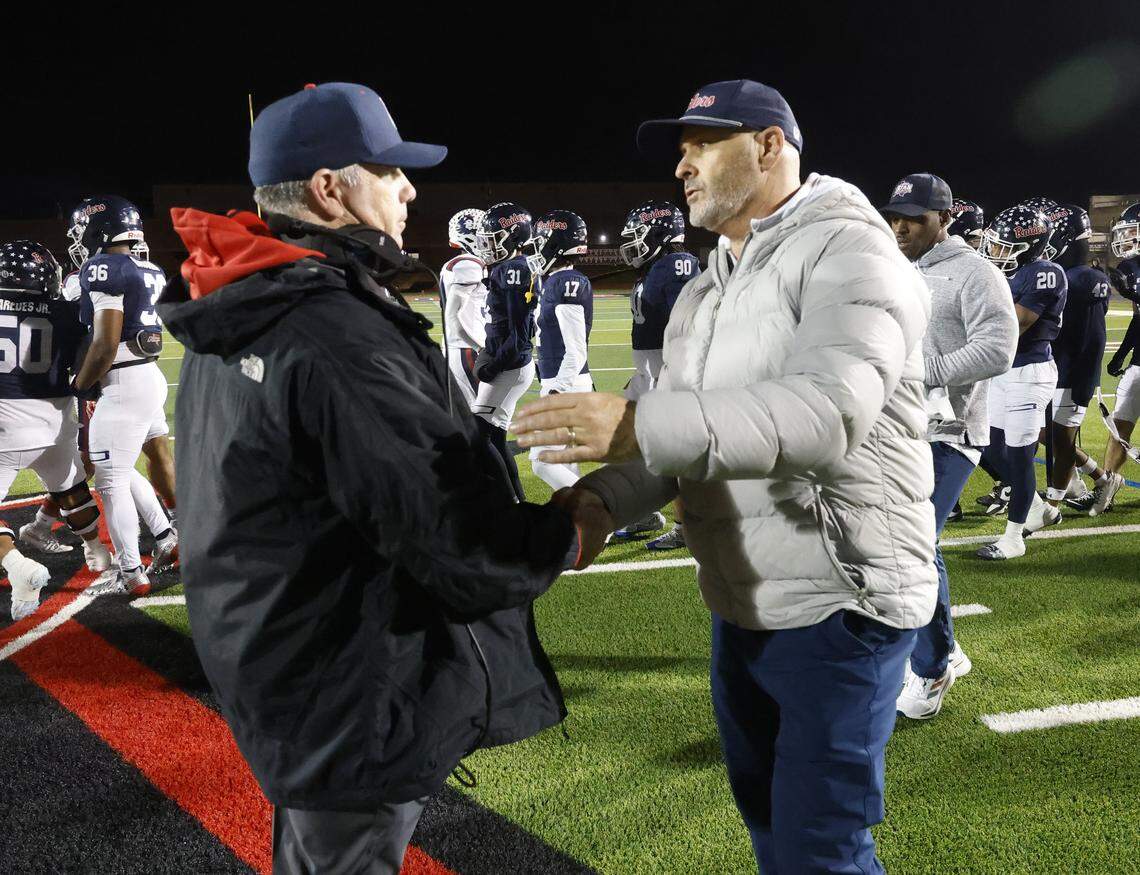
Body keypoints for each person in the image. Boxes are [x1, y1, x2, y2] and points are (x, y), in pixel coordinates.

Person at [155, 81, 592, 875]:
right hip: (344, 687)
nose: (409, 188)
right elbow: (460, 537)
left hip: (287, 664)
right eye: (388, 170)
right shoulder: (330, 329)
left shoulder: (248, 301)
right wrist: (570, 528)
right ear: (330, 189)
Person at [514, 79, 936, 874]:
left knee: (822, 848)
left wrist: (635, 425)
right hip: (741, 597)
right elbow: (684, 430)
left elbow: (826, 415)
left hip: (839, 598)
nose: (683, 165)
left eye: (702, 143)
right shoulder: (709, 286)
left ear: (770, 145)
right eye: (681, 149)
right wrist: (603, 501)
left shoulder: (853, 250)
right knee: (769, 822)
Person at [881, 174, 1017, 719]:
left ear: (946, 216)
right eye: (894, 215)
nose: (900, 226)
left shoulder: (976, 272)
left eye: (912, 216)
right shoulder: (897, 269)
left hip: (951, 432)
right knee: (889, 540)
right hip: (897, 429)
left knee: (914, 543)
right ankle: (946, 647)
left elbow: (999, 347)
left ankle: (933, 669)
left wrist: (925, 375)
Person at [69, 196, 179, 596]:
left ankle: (131, 572)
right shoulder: (149, 267)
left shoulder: (103, 268)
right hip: (147, 376)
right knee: (121, 464)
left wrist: (80, 383)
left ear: (99, 229)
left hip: (122, 381)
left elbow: (106, 342)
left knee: (110, 480)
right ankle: (165, 535)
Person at [0, 240, 111, 619]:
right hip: (55, 420)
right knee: (72, 490)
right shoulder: (66, 312)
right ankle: (99, 556)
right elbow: (90, 355)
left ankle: (19, 568)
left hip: (4, 423)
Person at [976, 204, 1067, 560]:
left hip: (1029, 373)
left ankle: (1014, 538)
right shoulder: (1013, 274)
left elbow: (1015, 322)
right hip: (1004, 371)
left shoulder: (1046, 272)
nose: (995, 252)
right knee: (991, 447)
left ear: (1027, 245)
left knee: (1019, 455)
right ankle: (1040, 508)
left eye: (1003, 246)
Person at [612, 200, 700, 549]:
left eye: (638, 235)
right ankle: (645, 512)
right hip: (649, 373)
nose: (633, 243)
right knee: (624, 442)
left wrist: (672, 376)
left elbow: (687, 325)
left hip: (669, 373)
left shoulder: (676, 265)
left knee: (675, 454)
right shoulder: (655, 267)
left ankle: (686, 526)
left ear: (659, 233)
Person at [1044, 205, 1112, 514]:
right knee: (1050, 435)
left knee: (1062, 441)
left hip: (1073, 372)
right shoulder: (1065, 275)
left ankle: (1051, 506)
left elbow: (1093, 338)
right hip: (1061, 368)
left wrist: (1081, 378)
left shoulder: (1082, 279)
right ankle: (1102, 477)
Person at [471, 201, 540, 499]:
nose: (486, 246)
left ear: (512, 236)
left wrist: (494, 363)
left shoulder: (513, 269)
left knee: (478, 435)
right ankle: (516, 502)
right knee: (495, 435)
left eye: (492, 238)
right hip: (512, 362)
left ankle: (506, 500)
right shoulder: (511, 268)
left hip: (511, 366)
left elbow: (520, 332)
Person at [527, 209, 594, 491]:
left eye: (541, 242)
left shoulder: (565, 283)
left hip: (565, 383)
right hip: (567, 381)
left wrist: (558, 390)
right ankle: (586, 530)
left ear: (555, 244)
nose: (537, 248)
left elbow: (576, 348)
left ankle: (602, 514)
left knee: (541, 459)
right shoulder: (554, 281)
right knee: (566, 462)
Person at [1089, 202, 1140, 515]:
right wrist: (1121, 355)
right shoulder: (1133, 267)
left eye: (1134, 230)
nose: (1128, 237)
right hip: (1139, 363)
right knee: (1120, 424)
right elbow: (1138, 318)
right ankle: (1107, 483)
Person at [440, 208, 488, 408]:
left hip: (460, 347)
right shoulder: (469, 264)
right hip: (465, 349)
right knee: (479, 415)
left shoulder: (460, 264)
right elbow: (452, 316)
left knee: (469, 415)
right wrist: (480, 348)